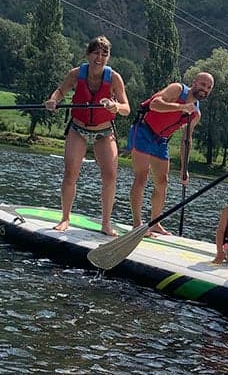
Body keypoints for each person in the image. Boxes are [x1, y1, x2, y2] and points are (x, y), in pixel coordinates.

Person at [44, 35, 130, 236]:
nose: (99, 58)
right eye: (95, 53)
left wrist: (115, 106)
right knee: (70, 173)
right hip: (78, 130)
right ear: (88, 54)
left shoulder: (114, 78)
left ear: (108, 57)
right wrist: (53, 100)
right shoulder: (76, 74)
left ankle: (106, 224)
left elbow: (126, 108)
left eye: (104, 54)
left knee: (110, 175)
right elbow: (60, 91)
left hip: (104, 132)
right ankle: (65, 218)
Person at [127, 72, 214, 234]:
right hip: (144, 130)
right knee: (142, 177)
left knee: (162, 181)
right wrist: (181, 107)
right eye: (203, 84)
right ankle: (137, 224)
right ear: (194, 83)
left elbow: (186, 140)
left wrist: (184, 168)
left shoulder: (196, 114)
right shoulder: (177, 89)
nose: (205, 89)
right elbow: (154, 104)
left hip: (161, 140)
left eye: (209, 88)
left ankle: (155, 222)